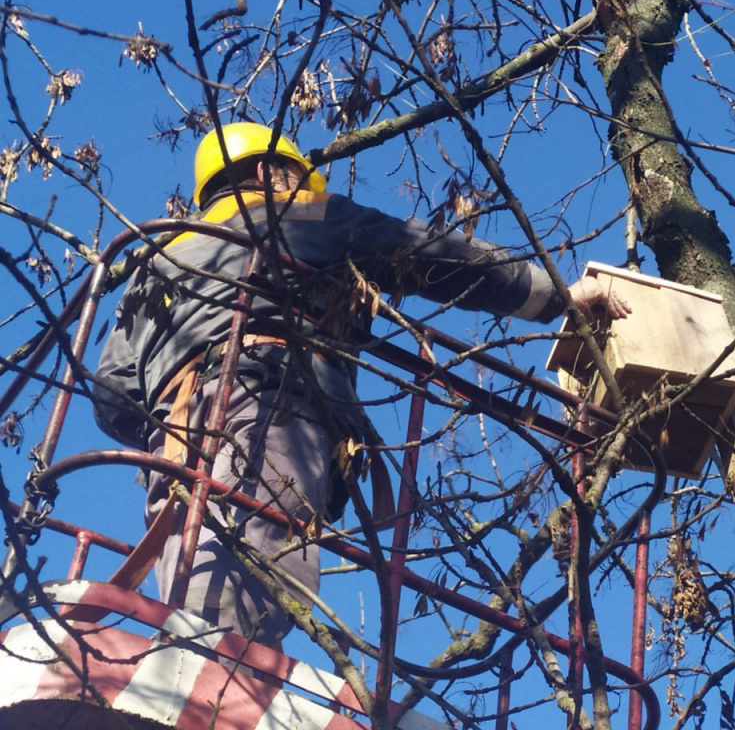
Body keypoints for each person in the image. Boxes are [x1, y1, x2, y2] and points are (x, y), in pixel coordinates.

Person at [93, 122, 629, 647]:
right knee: (253, 573)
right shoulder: (301, 217)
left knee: (192, 559)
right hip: (270, 402)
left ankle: (190, 667)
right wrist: (557, 294)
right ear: (266, 172)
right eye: (293, 176)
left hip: (173, 436)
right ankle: (228, 686)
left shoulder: (155, 265)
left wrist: (179, 399)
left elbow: (112, 394)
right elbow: (426, 253)